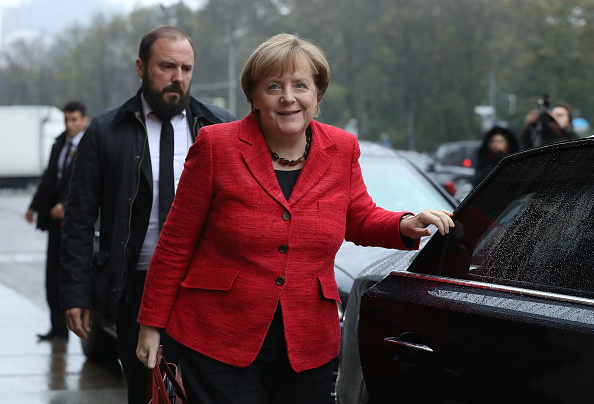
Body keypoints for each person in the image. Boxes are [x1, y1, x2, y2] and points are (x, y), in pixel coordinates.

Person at [136, 33, 454, 404]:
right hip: (218, 338)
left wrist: (405, 224)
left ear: (317, 96)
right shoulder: (215, 146)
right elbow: (176, 243)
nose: (288, 97)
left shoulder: (342, 148)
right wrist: (151, 325)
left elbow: (359, 216)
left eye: (300, 85)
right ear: (254, 97)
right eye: (274, 86)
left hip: (308, 343)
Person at [59, 25, 234, 404]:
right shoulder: (107, 130)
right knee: (146, 391)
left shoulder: (219, 126)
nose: (178, 78)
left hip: (204, 288)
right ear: (141, 67)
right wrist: (75, 293)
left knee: (207, 393)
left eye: (186, 69)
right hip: (135, 287)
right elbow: (78, 218)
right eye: (167, 66)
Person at [25, 100, 88, 341]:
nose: (70, 125)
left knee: (71, 275)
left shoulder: (90, 145)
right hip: (54, 222)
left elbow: (88, 183)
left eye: (74, 119)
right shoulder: (60, 143)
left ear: (84, 120)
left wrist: (68, 205)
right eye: (66, 120)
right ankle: (58, 328)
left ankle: (80, 327)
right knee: (52, 276)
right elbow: (50, 177)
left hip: (77, 222)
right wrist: (34, 206)